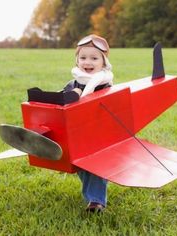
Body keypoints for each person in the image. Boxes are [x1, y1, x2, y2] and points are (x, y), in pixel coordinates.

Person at [63, 34, 114, 212]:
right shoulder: (73, 83)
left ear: (103, 62)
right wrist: (70, 96)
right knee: (81, 166)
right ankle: (95, 191)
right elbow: (61, 105)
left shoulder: (104, 84)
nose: (88, 62)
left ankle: (96, 201)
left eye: (94, 58)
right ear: (77, 60)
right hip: (77, 133)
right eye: (83, 57)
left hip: (99, 133)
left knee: (95, 163)